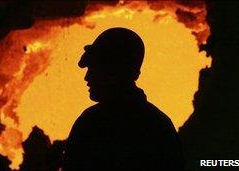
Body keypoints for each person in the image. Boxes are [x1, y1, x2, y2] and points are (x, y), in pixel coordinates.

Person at [62, 27, 184, 171]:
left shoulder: (91, 123)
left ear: (114, 71)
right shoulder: (159, 125)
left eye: (95, 69)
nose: (87, 77)